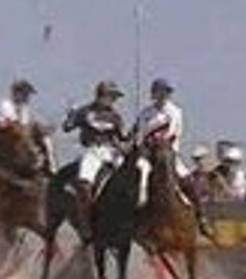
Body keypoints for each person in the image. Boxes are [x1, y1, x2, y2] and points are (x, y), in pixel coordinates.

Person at [131, 77, 213, 237]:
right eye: (160, 91)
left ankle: (201, 218)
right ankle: (135, 215)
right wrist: (144, 147)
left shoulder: (175, 112)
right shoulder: (145, 114)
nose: (163, 95)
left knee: (187, 179)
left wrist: (164, 148)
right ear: (154, 93)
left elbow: (174, 133)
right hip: (148, 154)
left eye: (166, 92)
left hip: (168, 152)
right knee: (140, 172)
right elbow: (140, 135)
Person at [61, 80, 127, 244]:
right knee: (84, 184)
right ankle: (87, 224)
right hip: (91, 150)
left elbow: (121, 138)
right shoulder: (85, 111)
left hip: (111, 152)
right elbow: (66, 127)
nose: (113, 100)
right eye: (111, 96)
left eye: (114, 98)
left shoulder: (115, 117)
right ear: (101, 95)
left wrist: (126, 145)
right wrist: (71, 116)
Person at [0, 78, 55, 174]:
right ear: (16, 93)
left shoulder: (24, 109)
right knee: (22, 137)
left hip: (21, 138)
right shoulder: (6, 105)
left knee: (46, 139)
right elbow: (11, 124)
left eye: (27, 95)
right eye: (25, 94)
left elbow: (27, 125)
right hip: (6, 139)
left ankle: (50, 169)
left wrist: (43, 129)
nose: (27, 97)